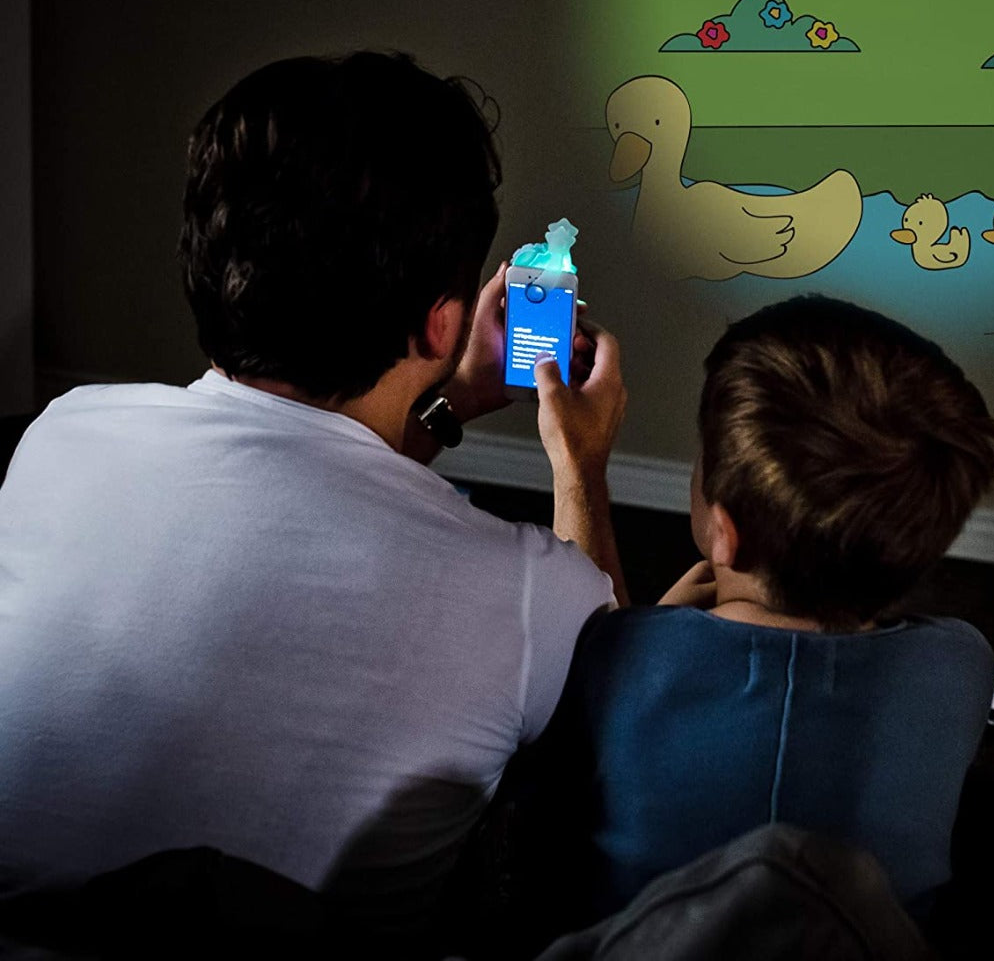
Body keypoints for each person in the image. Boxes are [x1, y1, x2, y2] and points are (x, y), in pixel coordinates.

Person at [0, 51, 627, 940]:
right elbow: (629, 725)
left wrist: (451, 400)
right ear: (442, 323)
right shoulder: (528, 590)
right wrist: (579, 463)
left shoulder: (61, 436)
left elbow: (304, 471)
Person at [516, 295, 994, 947]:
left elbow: (600, 659)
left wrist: (581, 467)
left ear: (724, 532)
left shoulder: (617, 656)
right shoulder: (961, 664)